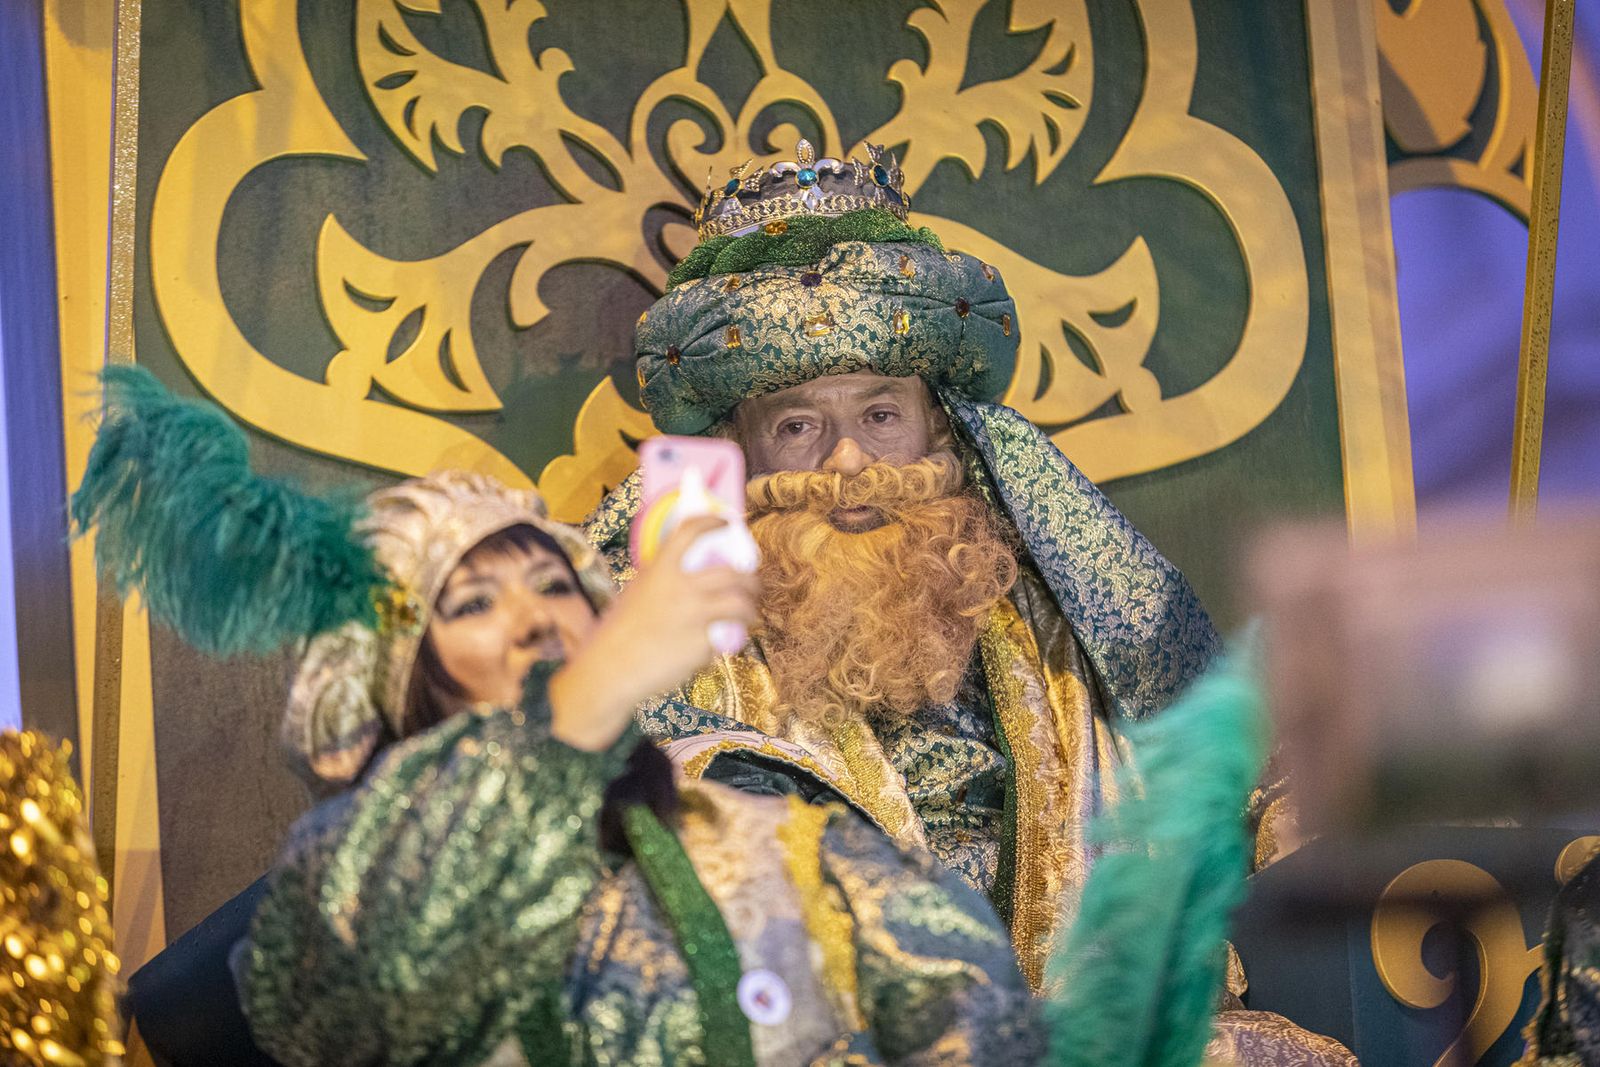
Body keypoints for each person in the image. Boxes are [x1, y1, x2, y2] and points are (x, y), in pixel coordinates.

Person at [70, 369, 1039, 1066]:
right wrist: (593, 687)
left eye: (550, 581)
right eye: (471, 603)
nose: (535, 614)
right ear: (398, 684)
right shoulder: (352, 881)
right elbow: (357, 982)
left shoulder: (788, 849)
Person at [585, 139, 1265, 989]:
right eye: (798, 427)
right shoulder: (669, 638)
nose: (846, 463)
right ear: (739, 453)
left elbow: (1219, 773)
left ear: (940, 428)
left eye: (879, 415)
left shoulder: (1054, 608)